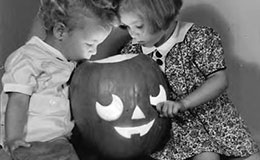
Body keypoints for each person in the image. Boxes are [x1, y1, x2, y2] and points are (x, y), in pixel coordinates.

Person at [117, 0, 260, 160]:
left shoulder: (198, 37)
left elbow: (219, 80)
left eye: (138, 26)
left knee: (252, 157)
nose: (132, 34)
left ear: (163, 20)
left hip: (214, 116)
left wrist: (184, 103)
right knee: (207, 157)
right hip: (177, 125)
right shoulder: (132, 52)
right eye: (126, 27)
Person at [0, 0, 117, 159]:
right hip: (27, 140)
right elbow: (18, 100)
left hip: (58, 142)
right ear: (60, 31)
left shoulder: (70, 63)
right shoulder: (29, 58)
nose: (94, 51)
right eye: (90, 44)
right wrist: (13, 138)